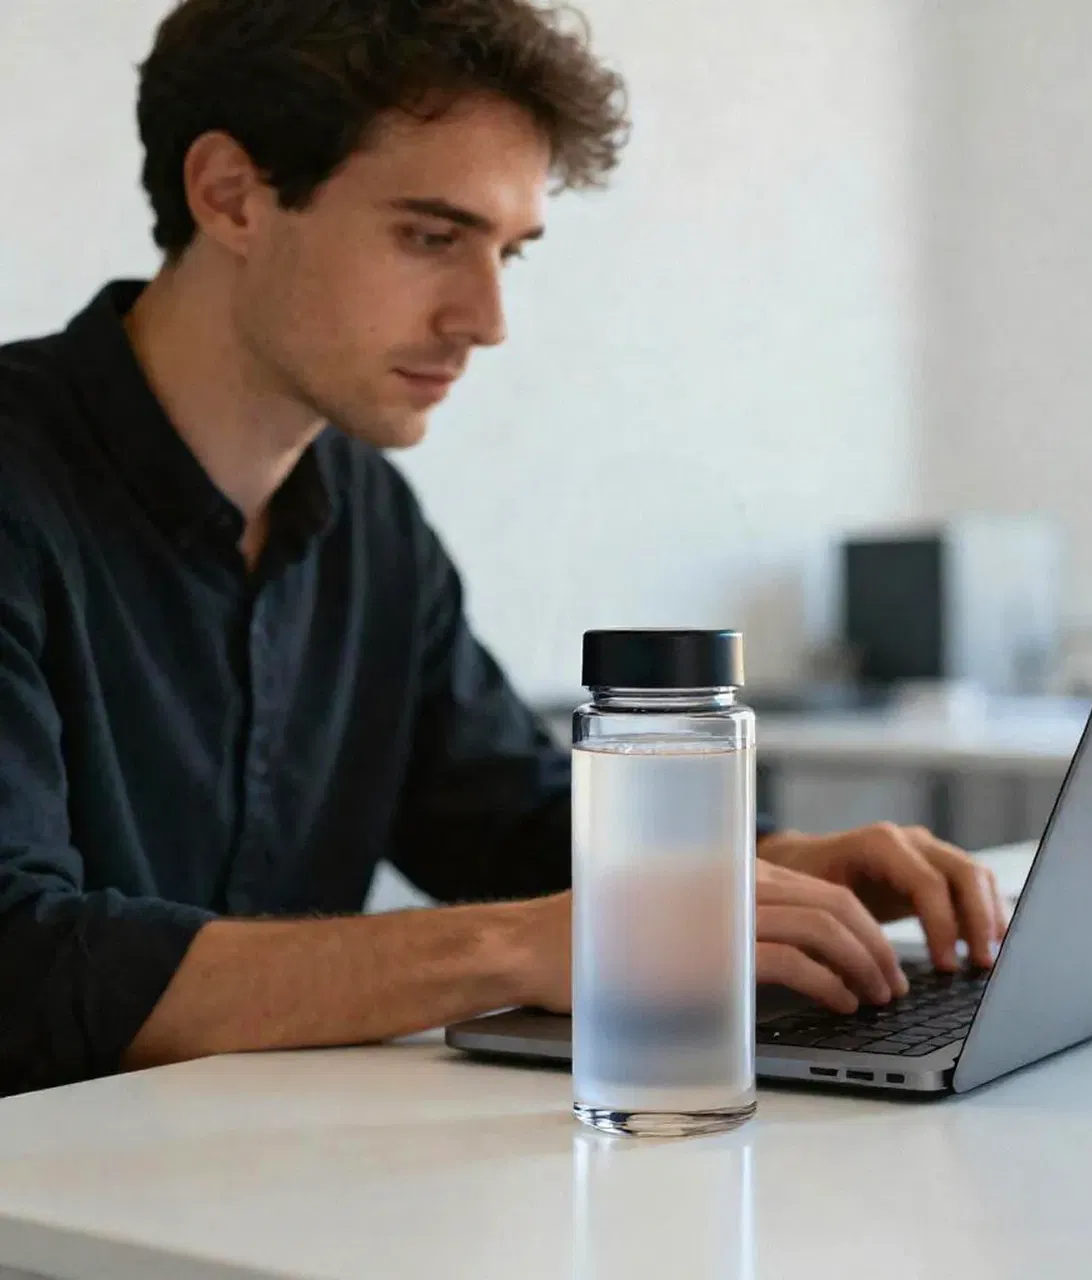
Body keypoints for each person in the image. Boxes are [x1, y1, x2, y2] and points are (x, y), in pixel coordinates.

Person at [0, 0, 1007, 1099]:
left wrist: (767, 864)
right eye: (431, 236)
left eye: (508, 253)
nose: (485, 319)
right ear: (230, 194)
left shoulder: (369, 519)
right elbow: (20, 963)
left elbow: (509, 821)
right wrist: (513, 947)